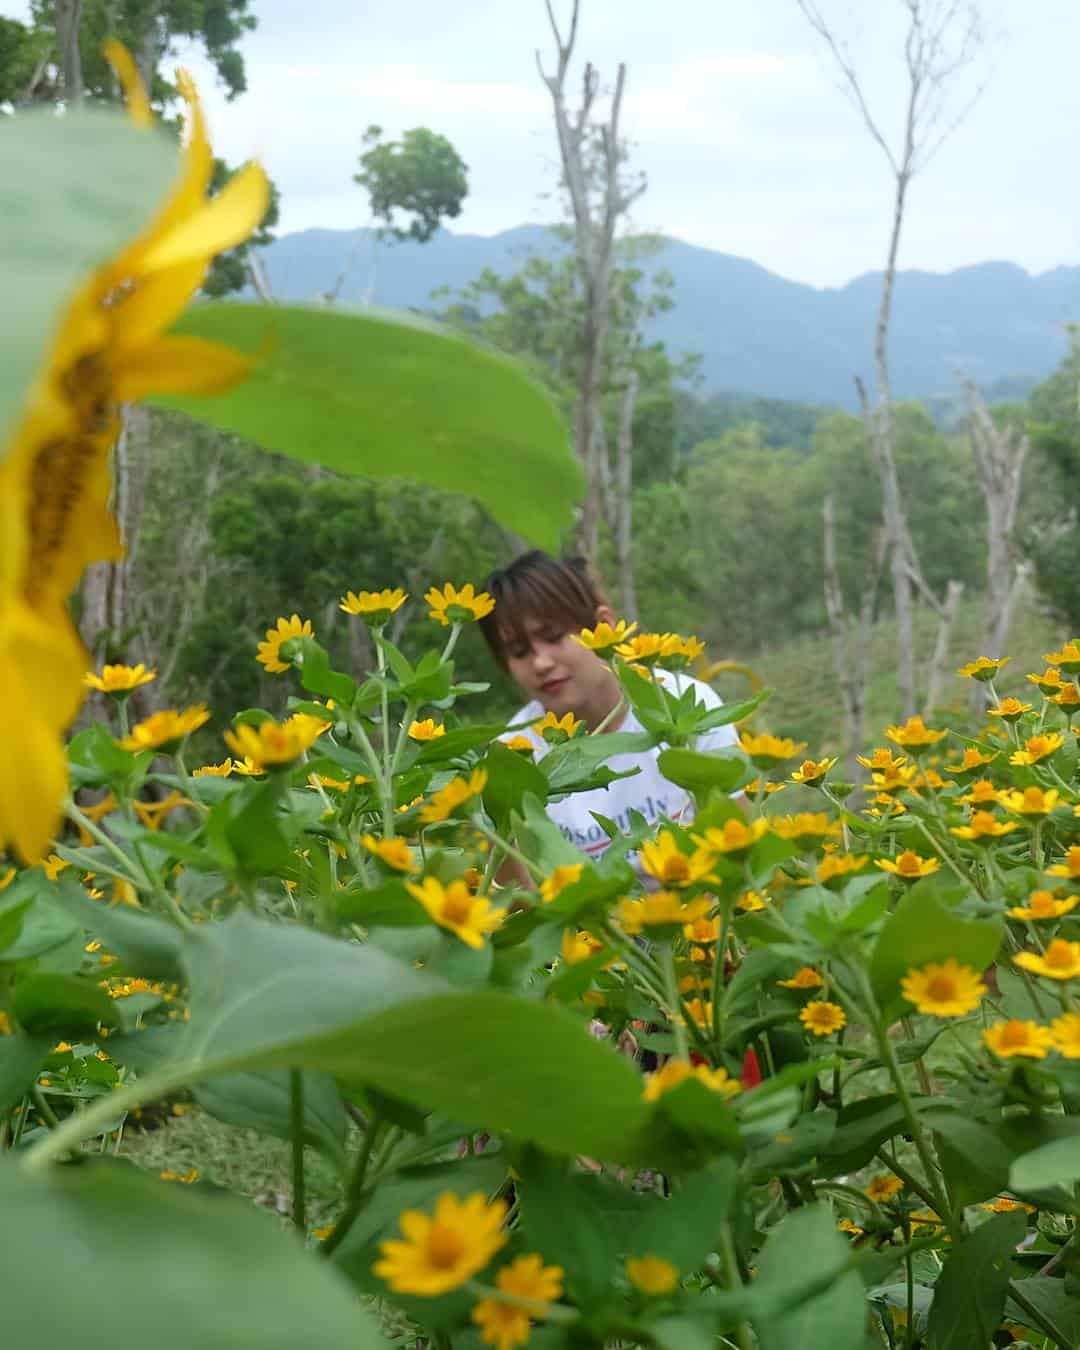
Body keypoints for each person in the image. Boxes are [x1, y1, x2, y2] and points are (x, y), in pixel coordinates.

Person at [478, 550, 738, 866]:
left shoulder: (684, 704)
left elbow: (737, 848)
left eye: (553, 637)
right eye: (519, 652)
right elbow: (521, 896)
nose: (541, 663)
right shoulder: (513, 754)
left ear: (605, 625)